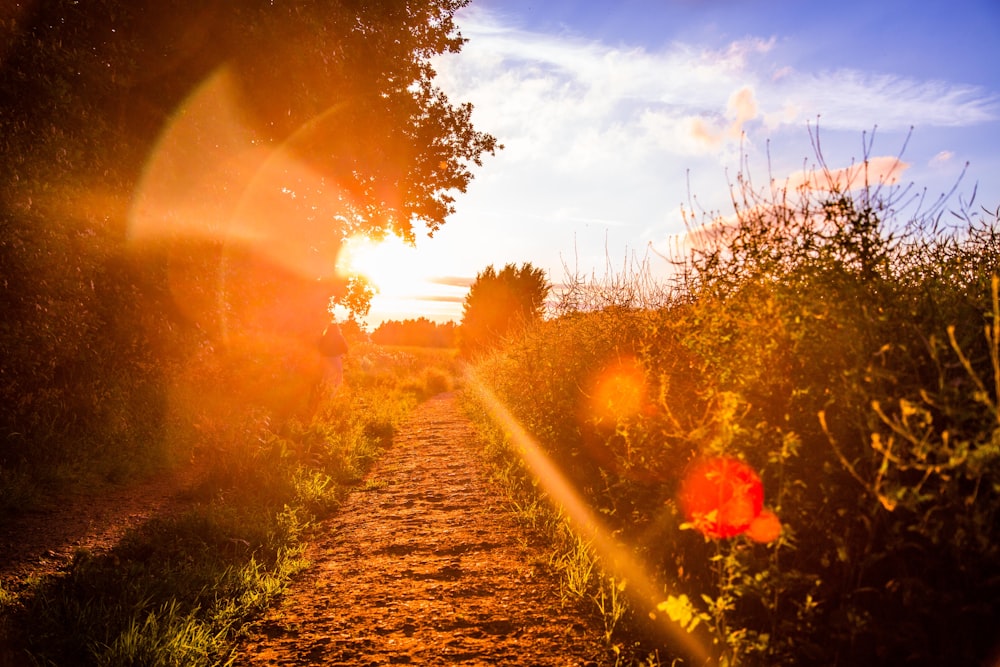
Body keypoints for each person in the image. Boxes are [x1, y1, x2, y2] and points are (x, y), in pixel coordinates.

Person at [318, 321, 349, 392]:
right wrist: (340, 352)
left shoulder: (324, 337)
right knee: (338, 375)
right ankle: (333, 393)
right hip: (335, 359)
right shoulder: (339, 337)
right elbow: (346, 349)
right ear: (337, 329)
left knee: (325, 376)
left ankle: (322, 391)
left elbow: (319, 348)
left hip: (324, 359)